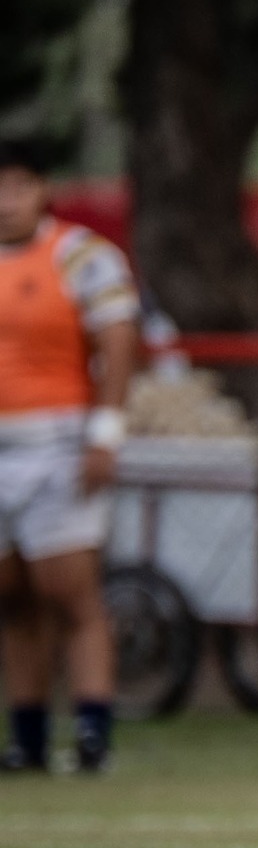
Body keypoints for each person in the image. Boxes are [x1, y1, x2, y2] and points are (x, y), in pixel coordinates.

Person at [0, 137, 141, 773]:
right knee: (11, 597)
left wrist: (105, 433)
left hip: (57, 441)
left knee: (70, 591)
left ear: (41, 190)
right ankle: (26, 738)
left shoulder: (81, 255)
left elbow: (118, 342)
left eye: (17, 186)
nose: (5, 203)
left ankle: (92, 732)